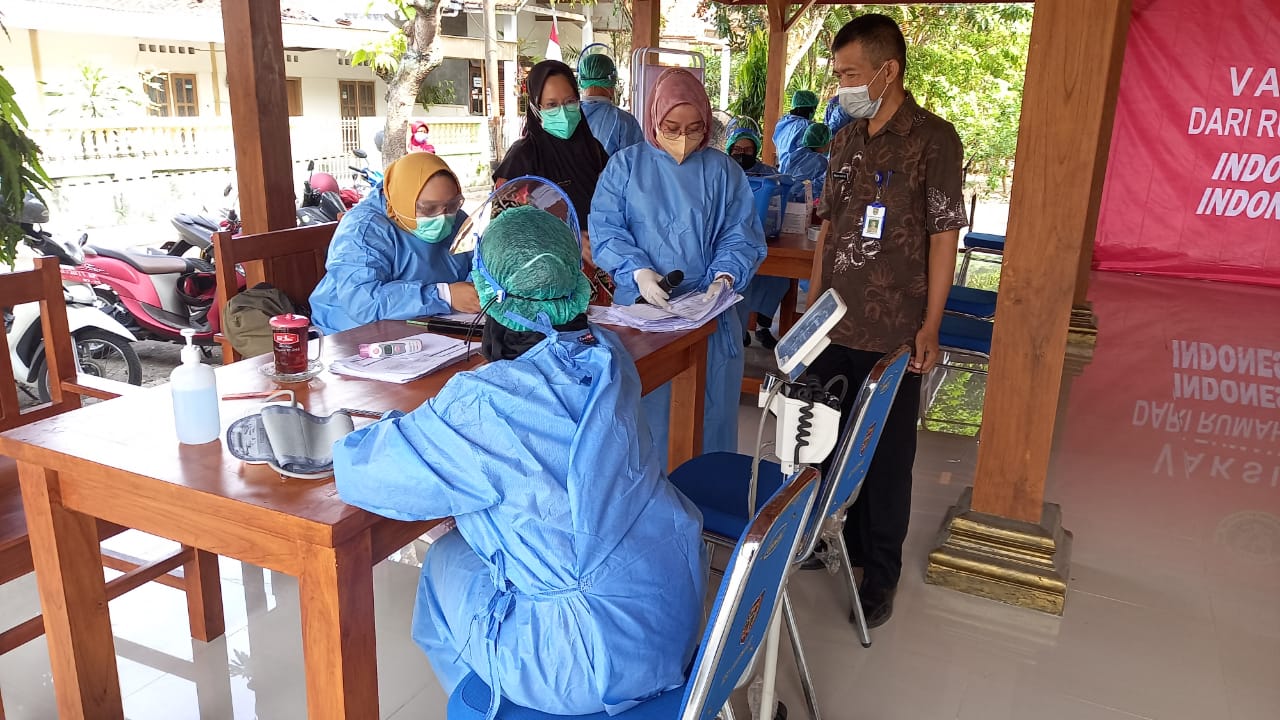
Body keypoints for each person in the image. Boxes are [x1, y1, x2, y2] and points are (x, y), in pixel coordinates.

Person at [333, 205, 706, 719]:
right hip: (670, 609)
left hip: (584, 662)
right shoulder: (610, 355)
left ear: (487, 295)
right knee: (476, 546)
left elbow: (365, 476)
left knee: (444, 562)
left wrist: (362, 432)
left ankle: (490, 705)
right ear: (574, 284)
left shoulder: (481, 404)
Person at [808, 14, 967, 629]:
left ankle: (879, 572)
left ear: (887, 71)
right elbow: (829, 226)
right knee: (823, 443)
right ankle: (827, 540)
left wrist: (931, 325)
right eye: (839, 74)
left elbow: (944, 235)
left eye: (850, 73)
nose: (842, 84)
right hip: (834, 324)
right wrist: (812, 306)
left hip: (895, 330)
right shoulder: (845, 138)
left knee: (884, 457)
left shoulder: (934, 140)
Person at [591, 67, 767, 465]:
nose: (683, 138)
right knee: (642, 419)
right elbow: (606, 228)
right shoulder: (625, 167)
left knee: (707, 420)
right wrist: (637, 269)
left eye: (694, 127)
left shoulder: (724, 172)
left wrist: (723, 277)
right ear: (654, 118)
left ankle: (703, 503)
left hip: (709, 318)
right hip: (641, 315)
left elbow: (740, 235)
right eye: (671, 126)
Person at [309, 152, 479, 333]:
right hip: (352, 331)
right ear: (403, 200)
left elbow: (478, 264)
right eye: (428, 208)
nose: (443, 218)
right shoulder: (364, 229)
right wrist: (443, 295)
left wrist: (476, 290)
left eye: (452, 205)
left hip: (436, 324)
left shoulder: (458, 220)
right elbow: (363, 302)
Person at [494, 60, 609, 231]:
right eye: (552, 105)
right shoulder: (521, 159)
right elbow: (503, 230)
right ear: (535, 108)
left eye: (570, 101)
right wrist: (569, 241)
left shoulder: (594, 150)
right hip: (547, 257)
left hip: (598, 254)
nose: (563, 111)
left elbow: (614, 206)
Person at [578, 52, 645, 156]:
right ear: (612, 79)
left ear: (580, 80)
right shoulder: (624, 122)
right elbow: (636, 165)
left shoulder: (567, 117)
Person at [781, 122, 832, 201]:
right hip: (801, 203)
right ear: (825, 141)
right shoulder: (820, 161)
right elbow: (820, 187)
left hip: (782, 199)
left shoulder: (793, 155)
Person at [772, 89, 818, 168]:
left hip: (782, 171)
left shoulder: (783, 123)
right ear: (811, 109)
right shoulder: (809, 127)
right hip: (802, 174)